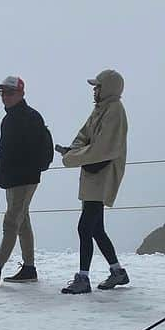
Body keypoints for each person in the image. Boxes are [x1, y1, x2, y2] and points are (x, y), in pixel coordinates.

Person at [0, 75, 51, 285]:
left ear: (21, 94)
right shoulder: (11, 118)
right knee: (22, 221)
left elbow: (28, 152)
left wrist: (19, 173)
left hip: (24, 179)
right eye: (2, 93)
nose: (4, 97)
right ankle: (29, 268)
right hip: (14, 179)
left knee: (11, 222)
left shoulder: (29, 117)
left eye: (9, 92)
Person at [58, 69, 129, 294]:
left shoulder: (115, 111)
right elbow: (84, 136)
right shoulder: (101, 109)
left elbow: (103, 148)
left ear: (107, 88)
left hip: (102, 175)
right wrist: (76, 151)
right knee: (96, 228)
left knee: (85, 226)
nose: (94, 91)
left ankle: (83, 278)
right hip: (93, 174)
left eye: (97, 87)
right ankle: (117, 271)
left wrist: (72, 156)